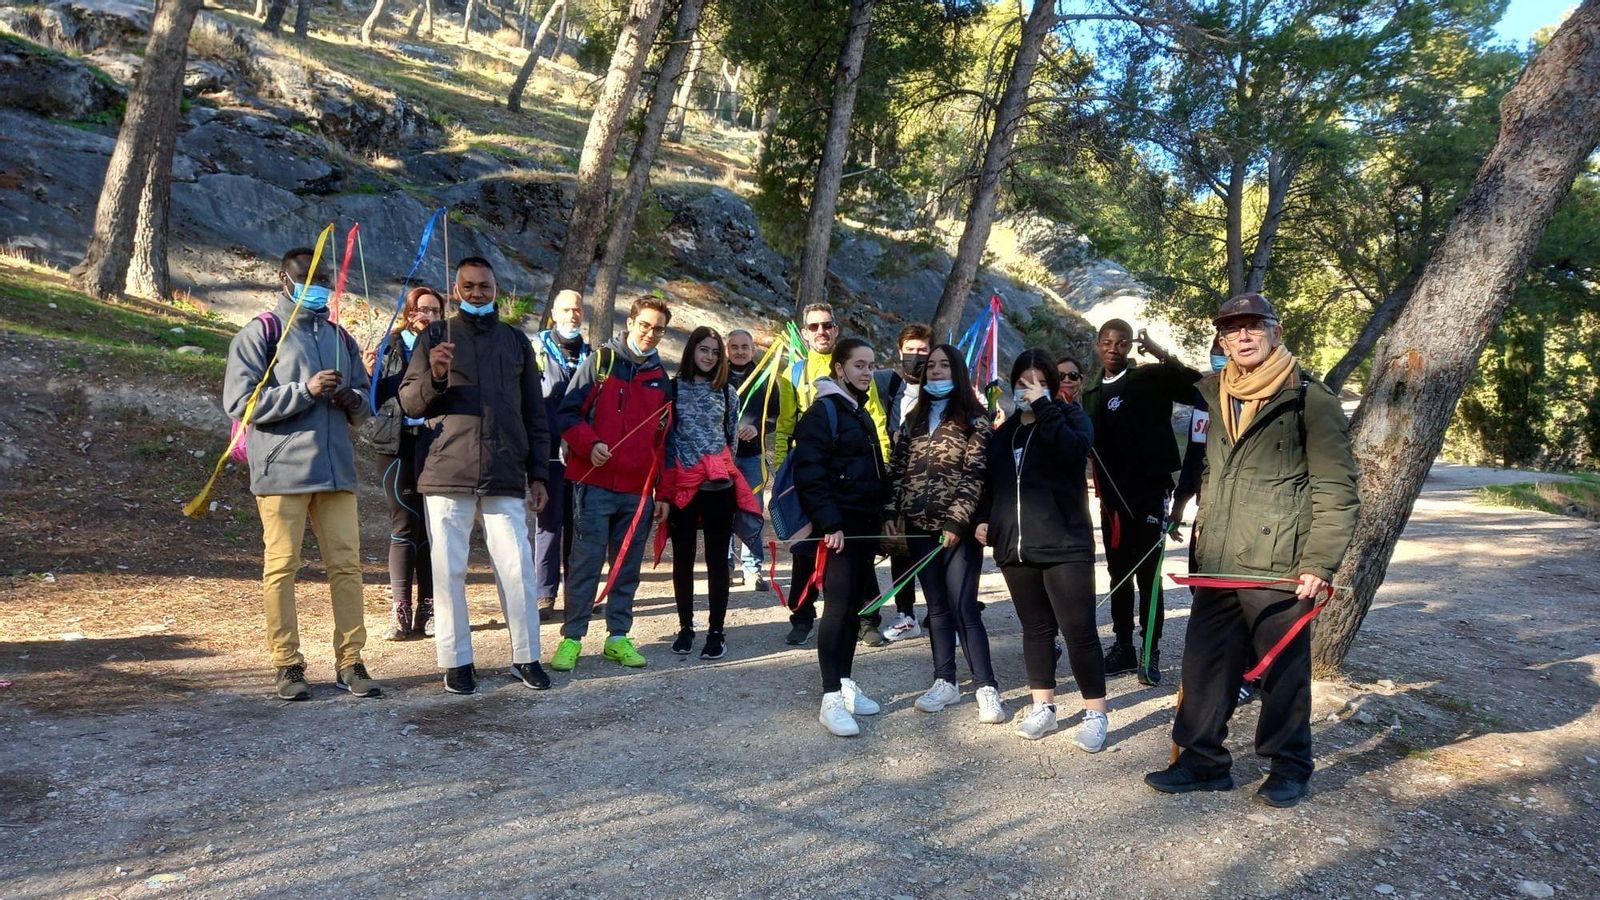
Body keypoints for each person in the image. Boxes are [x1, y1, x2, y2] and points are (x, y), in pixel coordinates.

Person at [1145, 292, 1358, 809]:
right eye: (1231, 328)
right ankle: (1202, 762)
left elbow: (1337, 489)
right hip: (1218, 560)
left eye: (1252, 326)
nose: (1241, 335)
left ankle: (1289, 768)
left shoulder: (1310, 399)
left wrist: (1318, 563)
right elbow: (1208, 471)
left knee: (1283, 674)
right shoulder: (1215, 394)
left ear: (1275, 332)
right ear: (1221, 339)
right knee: (1204, 667)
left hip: (1281, 565)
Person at [224, 247, 379, 701]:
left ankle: (351, 662)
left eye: (324, 279)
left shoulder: (340, 337)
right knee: (282, 569)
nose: (319, 287)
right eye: (307, 277)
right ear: (283, 278)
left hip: (336, 473)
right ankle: (288, 665)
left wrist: (353, 400)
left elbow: (365, 402)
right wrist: (304, 391)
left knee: (347, 568)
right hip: (282, 472)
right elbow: (242, 404)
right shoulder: (260, 334)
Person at [399, 257, 552, 696]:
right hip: (448, 470)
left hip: (505, 470)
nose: (477, 293)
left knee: (517, 567)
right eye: (469, 286)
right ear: (456, 287)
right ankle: (456, 661)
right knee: (449, 572)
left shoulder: (515, 341)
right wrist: (437, 374)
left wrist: (537, 473)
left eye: (484, 286)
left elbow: (534, 412)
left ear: (496, 288)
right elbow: (410, 402)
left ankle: (526, 656)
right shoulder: (435, 336)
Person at [976, 350, 1106, 749]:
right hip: (1016, 546)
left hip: (1065, 544)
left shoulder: (1069, 419)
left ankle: (1095, 713)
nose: (1027, 390)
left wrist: (1047, 407)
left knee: (1079, 630)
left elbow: (1072, 454)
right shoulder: (1006, 432)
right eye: (1021, 382)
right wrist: (985, 518)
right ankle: (1043, 707)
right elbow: (992, 482)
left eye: (1037, 383)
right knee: (1035, 630)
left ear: (1050, 385)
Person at [552, 295, 675, 673]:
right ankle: (572, 639)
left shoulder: (661, 380)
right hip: (593, 483)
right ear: (631, 322)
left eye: (658, 329)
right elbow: (567, 413)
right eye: (645, 325)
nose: (651, 334)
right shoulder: (601, 362)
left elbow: (665, 443)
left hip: (637, 493)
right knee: (585, 562)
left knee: (627, 568)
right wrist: (591, 447)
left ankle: (618, 637)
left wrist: (663, 493)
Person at [884, 344, 1002, 725]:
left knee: (963, 606)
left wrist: (957, 521)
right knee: (935, 607)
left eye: (943, 365)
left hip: (959, 530)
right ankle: (945, 680)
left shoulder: (975, 419)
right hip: (918, 528)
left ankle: (986, 686)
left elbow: (977, 474)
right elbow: (896, 468)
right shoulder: (913, 419)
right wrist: (890, 512)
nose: (935, 370)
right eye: (929, 365)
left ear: (957, 371)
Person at [1081, 319, 1201, 686]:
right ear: (1098, 345)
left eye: (1121, 343)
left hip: (1149, 494)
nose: (1113, 349)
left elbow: (1196, 386)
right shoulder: (1090, 397)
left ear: (1130, 346)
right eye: (1107, 342)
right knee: (1118, 575)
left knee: (1148, 576)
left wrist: (1163, 353)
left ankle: (1151, 649)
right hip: (1112, 501)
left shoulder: (1149, 378)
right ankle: (1123, 647)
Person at [791, 338, 890, 737]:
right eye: (859, 365)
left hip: (862, 525)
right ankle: (830, 697)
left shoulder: (859, 411)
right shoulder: (824, 412)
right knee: (836, 608)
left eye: (870, 366)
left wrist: (884, 515)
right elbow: (809, 474)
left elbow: (873, 471)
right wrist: (830, 523)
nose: (866, 373)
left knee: (852, 608)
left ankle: (846, 683)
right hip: (838, 531)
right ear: (839, 369)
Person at [659, 327, 760, 660]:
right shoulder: (671, 390)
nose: (710, 357)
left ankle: (716, 631)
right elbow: (666, 439)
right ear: (692, 351)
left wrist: (719, 468)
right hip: (681, 486)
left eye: (716, 352)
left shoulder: (728, 393)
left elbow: (730, 439)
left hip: (718, 486)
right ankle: (686, 627)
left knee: (718, 561)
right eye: (704, 350)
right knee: (684, 560)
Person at [364, 285, 443, 641]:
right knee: (403, 523)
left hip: (436, 444)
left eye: (435, 311)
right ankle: (400, 610)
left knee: (431, 526)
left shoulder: (448, 348)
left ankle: (429, 609)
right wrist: (369, 375)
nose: (427, 316)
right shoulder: (390, 346)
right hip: (395, 443)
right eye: (421, 309)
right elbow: (375, 399)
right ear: (409, 313)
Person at [532, 289, 591, 622]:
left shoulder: (591, 354)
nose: (573, 315)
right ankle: (544, 593)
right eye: (566, 309)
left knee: (579, 525)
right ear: (553, 312)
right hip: (548, 452)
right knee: (549, 525)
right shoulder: (536, 349)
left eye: (578, 310)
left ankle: (576, 593)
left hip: (582, 454)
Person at [873, 323, 932, 644]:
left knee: (932, 550)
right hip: (897, 482)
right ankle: (905, 614)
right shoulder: (887, 385)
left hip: (933, 487)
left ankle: (939, 613)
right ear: (900, 352)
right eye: (910, 350)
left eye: (922, 350)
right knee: (899, 549)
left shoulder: (941, 386)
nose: (916, 356)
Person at [725, 328, 775, 591]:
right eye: (735, 347)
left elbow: (776, 416)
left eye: (745, 346)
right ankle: (724, 566)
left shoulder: (766, 377)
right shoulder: (717, 377)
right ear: (727, 350)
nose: (740, 352)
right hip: (721, 457)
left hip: (752, 456)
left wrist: (758, 428)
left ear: (753, 349)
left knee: (752, 511)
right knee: (722, 510)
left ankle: (753, 568)